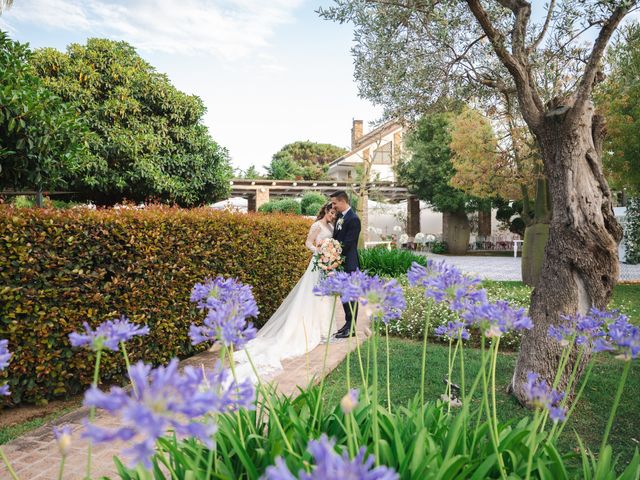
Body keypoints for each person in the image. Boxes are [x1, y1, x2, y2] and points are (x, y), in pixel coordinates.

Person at [233, 202, 339, 381]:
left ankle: (325, 330)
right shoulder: (317, 225)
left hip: (327, 264)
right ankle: (311, 330)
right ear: (325, 211)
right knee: (313, 296)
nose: (333, 216)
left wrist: (331, 254)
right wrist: (318, 251)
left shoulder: (331, 226)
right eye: (331, 213)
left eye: (335, 214)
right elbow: (307, 243)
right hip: (317, 263)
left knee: (325, 297)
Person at [330, 190, 361, 339]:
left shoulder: (354, 219)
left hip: (349, 262)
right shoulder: (340, 218)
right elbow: (336, 237)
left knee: (351, 296)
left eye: (335, 203)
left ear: (343, 201)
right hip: (340, 262)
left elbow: (349, 243)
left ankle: (352, 328)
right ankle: (348, 324)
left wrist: (333, 251)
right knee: (344, 296)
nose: (333, 206)